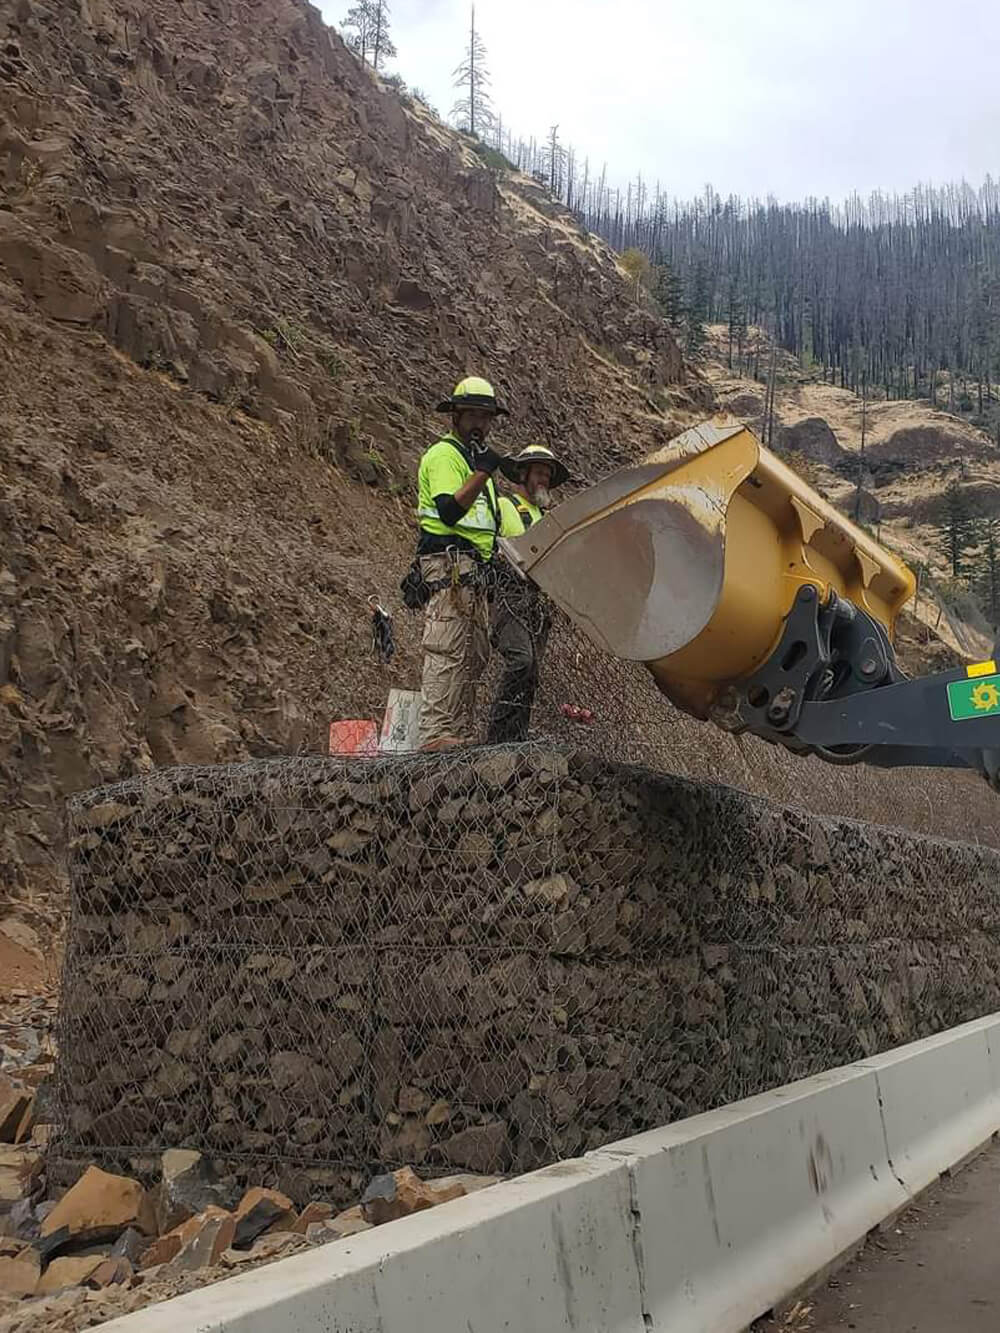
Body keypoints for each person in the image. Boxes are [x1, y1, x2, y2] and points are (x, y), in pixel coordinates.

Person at [414, 376, 509, 749]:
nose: (481, 425)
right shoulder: (444, 456)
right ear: (455, 415)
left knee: (474, 652)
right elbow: (450, 511)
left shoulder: (471, 465)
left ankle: (459, 732)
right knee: (448, 646)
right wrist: (483, 472)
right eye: (473, 416)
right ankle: (435, 733)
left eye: (486, 418)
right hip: (448, 564)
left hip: (474, 572)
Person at [487, 445, 572, 743]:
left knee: (532, 671)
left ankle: (517, 735)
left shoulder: (547, 520)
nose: (544, 480)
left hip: (539, 603)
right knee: (521, 660)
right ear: (522, 473)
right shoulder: (501, 506)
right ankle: (496, 735)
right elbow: (486, 547)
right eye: (539, 473)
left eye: (547, 475)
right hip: (509, 595)